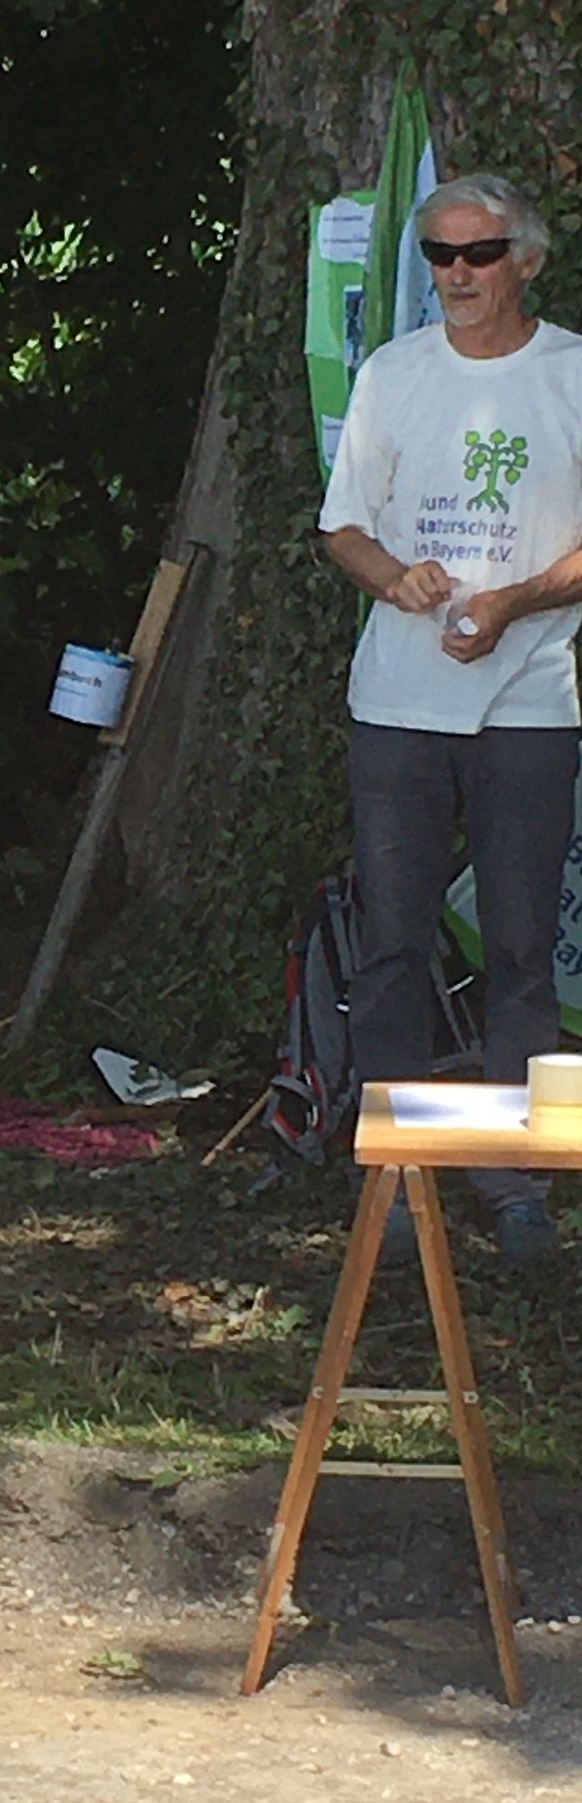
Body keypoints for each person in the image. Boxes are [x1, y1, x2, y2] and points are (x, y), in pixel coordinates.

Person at [321, 173, 582, 1266]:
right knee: (393, 943)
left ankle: (512, 1180)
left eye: (478, 255)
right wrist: (400, 582)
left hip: (531, 703)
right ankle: (392, 1176)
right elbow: (341, 528)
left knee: (524, 949)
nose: (456, 278)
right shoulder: (394, 373)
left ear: (527, 259)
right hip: (399, 702)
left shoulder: (572, 373)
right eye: (438, 256)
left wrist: (517, 600)